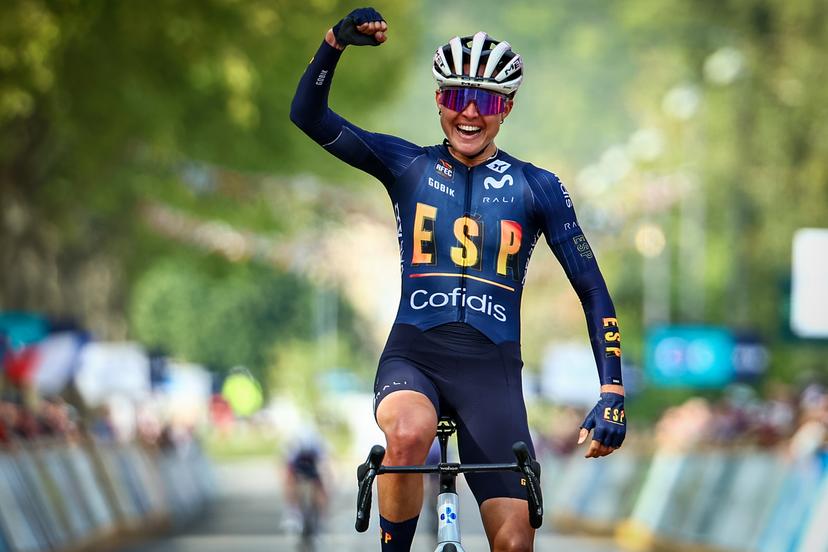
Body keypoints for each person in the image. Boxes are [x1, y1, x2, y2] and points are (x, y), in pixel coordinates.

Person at [290, 8, 627, 552]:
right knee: (407, 435)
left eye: (487, 101)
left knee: (515, 542)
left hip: (490, 373)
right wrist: (334, 44)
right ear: (439, 100)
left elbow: (592, 289)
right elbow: (308, 115)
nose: (469, 113)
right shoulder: (407, 165)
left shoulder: (536, 187)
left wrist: (611, 386)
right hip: (414, 356)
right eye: (455, 97)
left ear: (507, 108)